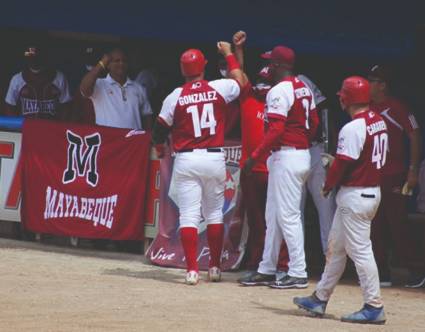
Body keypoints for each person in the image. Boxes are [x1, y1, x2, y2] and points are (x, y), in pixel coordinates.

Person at [294, 76, 387, 325]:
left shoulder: (353, 127)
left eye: (342, 93)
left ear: (349, 97)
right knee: (336, 249)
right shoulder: (378, 121)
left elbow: (344, 163)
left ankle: (373, 306)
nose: (339, 97)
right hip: (368, 191)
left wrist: (327, 184)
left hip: (356, 196)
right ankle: (319, 298)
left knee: (361, 252)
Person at [151, 45, 244, 285]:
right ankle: (214, 267)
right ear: (203, 66)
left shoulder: (176, 95)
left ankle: (192, 270)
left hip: (187, 159)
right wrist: (230, 54)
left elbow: (159, 128)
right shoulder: (218, 87)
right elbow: (240, 81)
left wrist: (160, 148)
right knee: (214, 213)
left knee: (189, 215)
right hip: (214, 157)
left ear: (182, 70)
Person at [243, 44, 319, 289]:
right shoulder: (303, 87)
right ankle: (267, 268)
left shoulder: (280, 90)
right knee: (273, 215)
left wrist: (254, 157)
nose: (268, 67)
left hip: (287, 156)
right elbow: (314, 122)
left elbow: (275, 130)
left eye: (270, 63)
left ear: (276, 65)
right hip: (298, 154)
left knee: (288, 216)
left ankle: (298, 272)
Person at [223, 31, 289, 285]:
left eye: (265, 82)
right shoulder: (247, 98)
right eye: (257, 82)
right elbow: (239, 77)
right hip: (252, 171)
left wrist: (233, 52)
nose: (260, 86)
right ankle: (257, 264)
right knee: (256, 221)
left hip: (273, 169)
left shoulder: (279, 102)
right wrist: (238, 52)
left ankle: (282, 266)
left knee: (279, 220)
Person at [367, 64, 421, 287]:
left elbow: (415, 135)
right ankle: (382, 273)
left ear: (382, 85)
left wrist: (413, 170)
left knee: (398, 224)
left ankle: (416, 272)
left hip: (394, 175)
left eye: (372, 81)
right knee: (375, 226)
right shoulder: (366, 108)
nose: (368, 84)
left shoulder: (397, 107)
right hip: (372, 175)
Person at [298, 75, 337, 255]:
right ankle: (294, 263)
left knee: (326, 208)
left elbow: (325, 110)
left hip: (315, 149)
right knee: (293, 211)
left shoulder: (302, 80)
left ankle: (332, 261)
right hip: (292, 151)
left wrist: (329, 150)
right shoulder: (270, 85)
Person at [80, 48, 152, 130]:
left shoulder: (139, 88)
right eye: (117, 61)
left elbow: (147, 116)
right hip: (108, 140)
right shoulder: (100, 85)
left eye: (124, 61)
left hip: (134, 140)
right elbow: (84, 89)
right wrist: (101, 63)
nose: (121, 63)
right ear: (108, 65)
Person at [5, 45, 72, 120]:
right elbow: (10, 107)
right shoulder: (17, 79)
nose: (34, 61)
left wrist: (59, 128)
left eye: (37, 58)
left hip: (51, 127)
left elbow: (66, 106)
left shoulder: (59, 78)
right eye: (31, 57)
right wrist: (17, 128)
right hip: (27, 126)